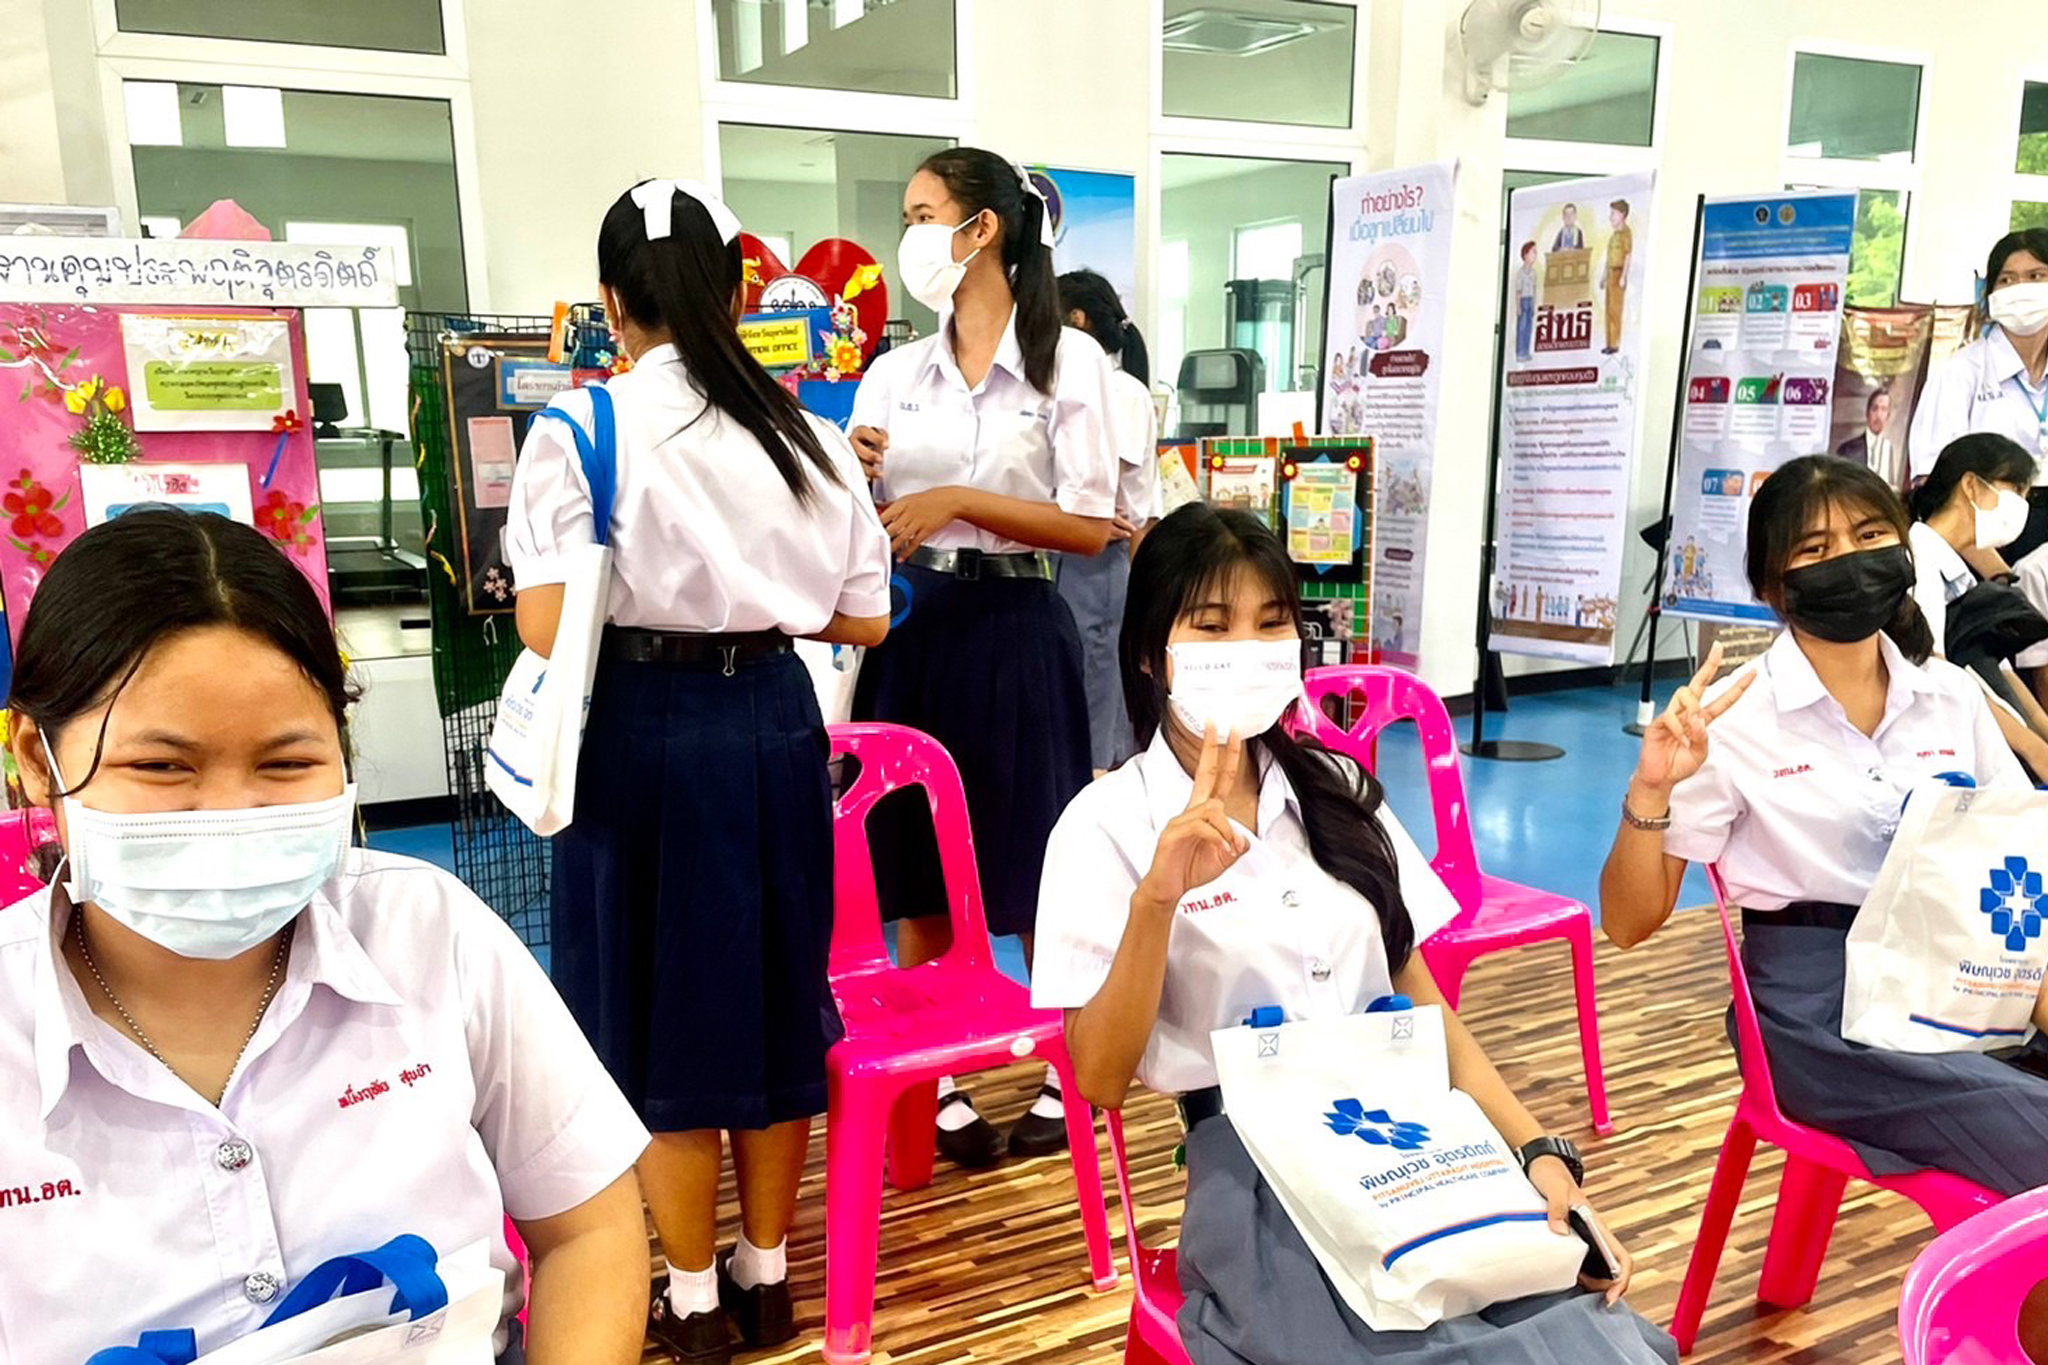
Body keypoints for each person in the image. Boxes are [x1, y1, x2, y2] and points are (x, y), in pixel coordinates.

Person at [0, 511, 652, 1365]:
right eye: (163, 766)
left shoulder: (431, 931)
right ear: (38, 760)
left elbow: (588, 1227)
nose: (232, 813)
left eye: (285, 762)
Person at [1033, 503, 1678, 1365]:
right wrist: (1158, 899)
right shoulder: (1103, 824)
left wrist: (1534, 1147)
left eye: (1271, 625)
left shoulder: (1337, 787)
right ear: (1153, 652)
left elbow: (1420, 998)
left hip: (1417, 1131)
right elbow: (1100, 1076)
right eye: (1213, 625)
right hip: (1257, 1171)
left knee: (1583, 1338)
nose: (1249, 649)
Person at [507, 179, 893, 1363]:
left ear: (613, 303)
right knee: (776, 997)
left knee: (648, 1010)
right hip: (774, 728)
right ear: (735, 293)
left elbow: (538, 624)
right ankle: (768, 1275)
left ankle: (687, 1297)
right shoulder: (814, 437)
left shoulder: (581, 430)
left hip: (633, 730)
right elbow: (866, 623)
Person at [1598, 455, 2048, 1362]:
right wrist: (1652, 787)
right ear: (1775, 588)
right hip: (1818, 1011)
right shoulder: (1730, 722)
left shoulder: (1950, 694)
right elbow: (1631, 922)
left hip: (1962, 972)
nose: (1850, 559)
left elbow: (2016, 864)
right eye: (1816, 546)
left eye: (1872, 535)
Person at [847, 147, 1119, 1168]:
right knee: (914, 863)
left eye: (922, 212)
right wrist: (853, 476)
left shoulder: (1071, 368)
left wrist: (958, 500)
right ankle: (940, 1075)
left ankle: (1064, 1069)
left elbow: (1092, 524)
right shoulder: (891, 372)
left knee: (1038, 859)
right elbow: (859, 526)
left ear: (981, 230)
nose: (909, 235)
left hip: (1017, 631)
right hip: (913, 630)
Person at [1058, 267, 1162, 774]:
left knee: (1096, 676)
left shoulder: (1122, 391)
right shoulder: (1074, 384)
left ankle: (1095, 778)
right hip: (1063, 547)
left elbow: (1096, 482)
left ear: (1075, 319)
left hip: (1096, 556)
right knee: (1071, 672)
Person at [1905, 433, 2048, 775]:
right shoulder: (1920, 557)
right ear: (1971, 485)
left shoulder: (1959, 572)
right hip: (1949, 743)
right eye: (2016, 490)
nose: (2022, 506)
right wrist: (2031, 749)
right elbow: (1936, 670)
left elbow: (1999, 673)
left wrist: (2042, 735)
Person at [1909, 228, 2048, 565]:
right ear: (1990, 293)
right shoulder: (1960, 373)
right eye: (2007, 280)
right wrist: (2003, 582)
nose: (2021, 289)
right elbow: (1937, 494)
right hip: (1986, 554)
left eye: (2036, 276)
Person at [1835, 387, 1897, 487]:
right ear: (1867, 413)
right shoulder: (1847, 449)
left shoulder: (1888, 447)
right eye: (1875, 409)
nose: (1878, 415)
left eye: (1884, 409)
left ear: (1888, 415)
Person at [1601, 200, 1631, 355]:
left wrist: (1623, 277)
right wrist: (1603, 276)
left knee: (1615, 310)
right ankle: (1609, 343)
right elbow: (1609, 258)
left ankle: (1615, 344)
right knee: (1608, 310)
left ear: (1622, 214)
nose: (1610, 216)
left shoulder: (1626, 234)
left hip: (1619, 273)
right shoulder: (1613, 236)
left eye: (1613, 213)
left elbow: (1627, 255)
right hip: (1610, 273)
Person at [1514, 241, 1537, 362]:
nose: (1535, 255)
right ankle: (1520, 353)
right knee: (1521, 328)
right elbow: (1518, 291)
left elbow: (1534, 289)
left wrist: (1534, 305)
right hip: (1522, 301)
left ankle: (1526, 352)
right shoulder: (1520, 273)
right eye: (1533, 252)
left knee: (1528, 328)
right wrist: (1518, 307)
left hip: (1530, 301)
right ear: (1525, 255)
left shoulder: (1533, 273)